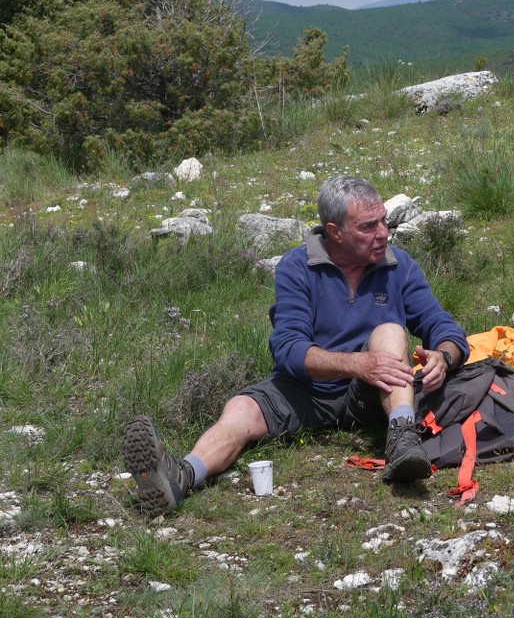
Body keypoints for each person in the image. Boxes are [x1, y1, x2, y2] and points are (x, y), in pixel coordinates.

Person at [123, 175, 470, 517]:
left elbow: (443, 327)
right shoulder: (296, 267)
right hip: (306, 391)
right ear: (335, 232)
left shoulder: (399, 266)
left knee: (391, 331)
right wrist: (356, 364)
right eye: (367, 226)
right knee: (241, 409)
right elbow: (288, 349)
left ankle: (403, 441)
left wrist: (444, 355)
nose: (382, 233)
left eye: (383, 221)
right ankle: (182, 476)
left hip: (371, 393)